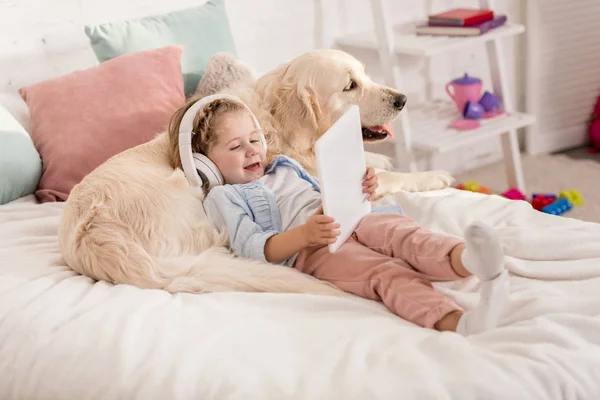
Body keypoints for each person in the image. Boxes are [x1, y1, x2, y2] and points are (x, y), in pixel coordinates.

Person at [185, 96, 509, 335]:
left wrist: (359, 187)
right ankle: (460, 322)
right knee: (384, 272)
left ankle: (469, 259)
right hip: (314, 251)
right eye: (235, 146)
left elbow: (323, 190)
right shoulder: (223, 196)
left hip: (350, 216)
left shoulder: (285, 165)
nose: (252, 150)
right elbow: (252, 247)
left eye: (255, 140)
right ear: (207, 163)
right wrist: (305, 235)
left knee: (402, 233)